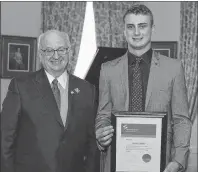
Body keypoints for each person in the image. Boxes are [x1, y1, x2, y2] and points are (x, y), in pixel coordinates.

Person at [95, 4, 192, 172]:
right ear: (124, 31)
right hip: (118, 161)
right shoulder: (108, 69)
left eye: (142, 26)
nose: (136, 32)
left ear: (152, 29)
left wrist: (178, 160)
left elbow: (181, 119)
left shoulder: (173, 68)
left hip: (162, 163)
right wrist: (101, 133)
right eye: (130, 27)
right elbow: (103, 115)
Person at [1, 30, 97, 172]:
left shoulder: (87, 90)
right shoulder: (20, 86)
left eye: (61, 49)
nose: (56, 56)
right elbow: (5, 140)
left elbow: (92, 145)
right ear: (40, 54)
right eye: (49, 50)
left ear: (69, 51)